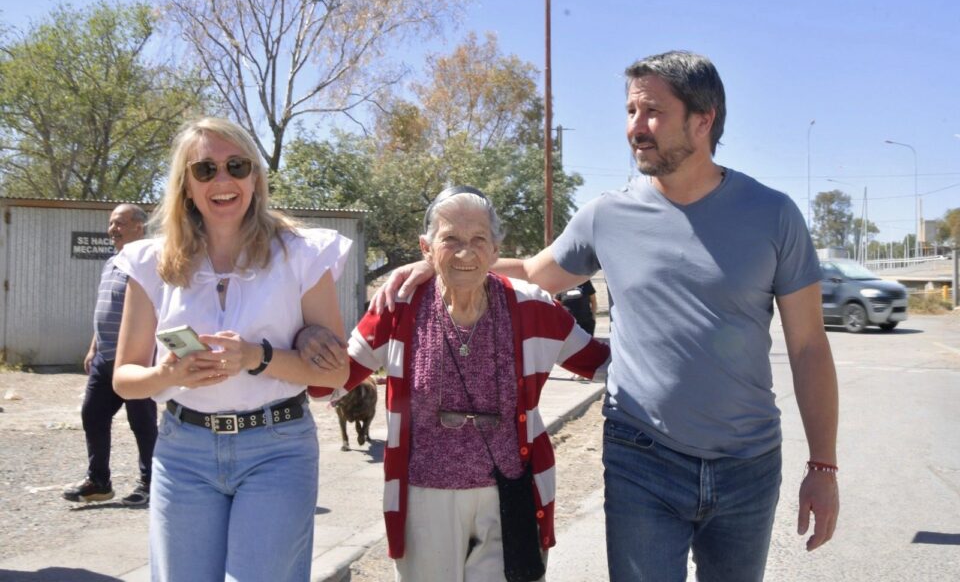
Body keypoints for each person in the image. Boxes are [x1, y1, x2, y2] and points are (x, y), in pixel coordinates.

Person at [375, 51, 840, 581]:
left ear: (703, 119)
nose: (635, 128)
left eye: (652, 112)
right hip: (641, 457)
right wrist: (445, 261)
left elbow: (809, 347)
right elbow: (533, 271)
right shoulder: (607, 214)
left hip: (748, 466)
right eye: (630, 111)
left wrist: (823, 465)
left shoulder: (774, 216)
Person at [299, 186, 610, 581]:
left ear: (495, 251)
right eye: (450, 239)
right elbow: (327, 385)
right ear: (426, 248)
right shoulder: (398, 307)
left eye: (479, 239)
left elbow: (605, 365)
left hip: (510, 497)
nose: (466, 253)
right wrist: (307, 337)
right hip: (424, 501)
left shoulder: (533, 307)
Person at [111, 117, 352, 581]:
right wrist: (169, 375)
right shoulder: (150, 262)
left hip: (277, 449)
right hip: (184, 451)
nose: (223, 180)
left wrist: (255, 357)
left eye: (236, 166)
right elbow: (124, 379)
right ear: (186, 187)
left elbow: (334, 374)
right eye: (205, 170)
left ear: (255, 178)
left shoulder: (302, 253)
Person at [63, 204, 158, 506]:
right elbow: (105, 308)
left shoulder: (150, 263)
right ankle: (99, 482)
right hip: (104, 358)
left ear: (139, 227)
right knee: (92, 414)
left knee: (142, 422)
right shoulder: (112, 262)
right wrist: (94, 347)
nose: (112, 229)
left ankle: (152, 483)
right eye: (111, 223)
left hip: (135, 360)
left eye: (119, 223)